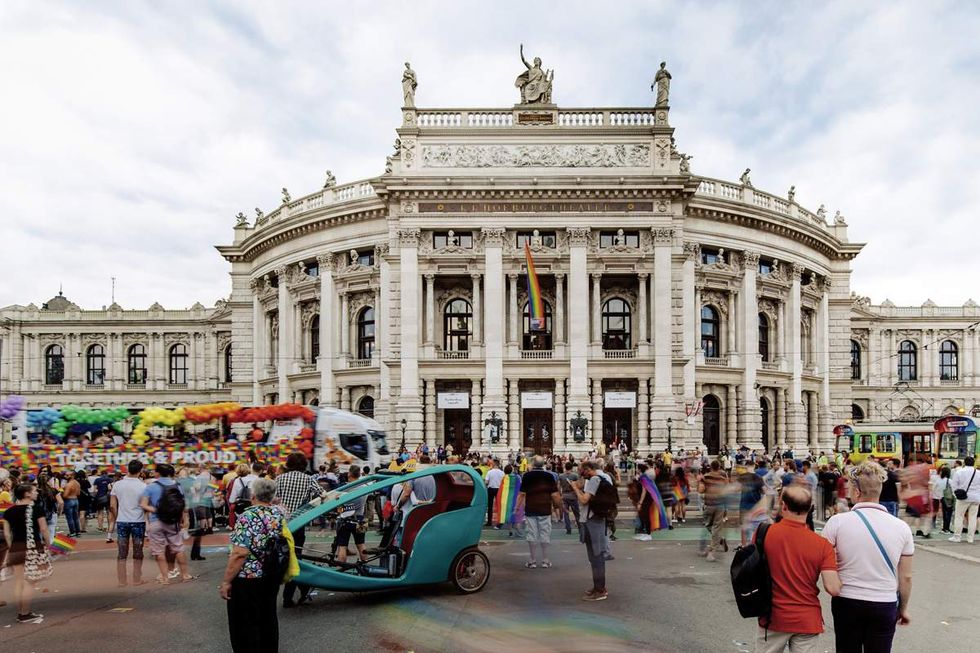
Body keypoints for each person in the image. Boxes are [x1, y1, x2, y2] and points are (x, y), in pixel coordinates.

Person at [823, 462, 914, 652]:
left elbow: (824, 563)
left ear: (856, 492)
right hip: (884, 601)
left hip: (847, 600)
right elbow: (906, 577)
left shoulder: (837, 523)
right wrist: (903, 608)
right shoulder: (901, 528)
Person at [755, 485, 841, 653]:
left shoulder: (763, 534)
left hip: (773, 617)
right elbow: (833, 588)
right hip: (807, 619)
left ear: (784, 506)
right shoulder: (822, 545)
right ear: (810, 509)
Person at [220, 478, 286, 653]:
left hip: (248, 577)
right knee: (268, 616)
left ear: (253, 495)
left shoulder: (247, 517)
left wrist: (226, 581)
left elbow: (240, 553)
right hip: (270, 572)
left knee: (245, 622)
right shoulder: (278, 513)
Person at [275, 452, 325, 607]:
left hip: (282, 524)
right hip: (299, 522)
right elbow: (323, 495)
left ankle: (294, 592)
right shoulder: (308, 479)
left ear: (288, 464)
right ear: (304, 465)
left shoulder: (280, 479)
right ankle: (296, 592)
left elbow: (274, 499)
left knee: (283, 557)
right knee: (296, 557)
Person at [1, 483, 50, 623]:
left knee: (19, 581)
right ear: (27, 494)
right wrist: (48, 545)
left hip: (16, 547)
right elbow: (44, 529)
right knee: (30, 581)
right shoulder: (37, 509)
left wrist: (11, 547)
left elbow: (7, 534)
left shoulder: (9, 511)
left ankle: (20, 612)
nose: (37, 493)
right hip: (33, 546)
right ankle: (25, 613)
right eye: (34, 491)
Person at [140, 463, 194, 584]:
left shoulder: (150, 486)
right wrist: (184, 519)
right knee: (178, 547)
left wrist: (156, 510)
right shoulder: (177, 486)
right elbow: (183, 504)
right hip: (172, 521)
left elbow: (143, 504)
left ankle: (165, 578)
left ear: (158, 473)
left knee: (159, 551)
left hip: (156, 521)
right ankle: (185, 574)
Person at [569, 461, 611, 601]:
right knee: (594, 556)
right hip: (595, 520)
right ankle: (598, 587)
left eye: (583, 471)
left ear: (589, 469)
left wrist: (575, 488)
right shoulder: (602, 478)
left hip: (593, 521)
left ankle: (600, 590)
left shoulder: (594, 479)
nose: (582, 474)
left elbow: (584, 499)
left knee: (596, 556)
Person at [110, 459, 149, 587]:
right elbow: (145, 506)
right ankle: (137, 579)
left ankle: (122, 580)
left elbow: (112, 505)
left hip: (122, 520)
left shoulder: (117, 485)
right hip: (138, 521)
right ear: (140, 471)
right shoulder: (143, 486)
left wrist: (117, 516)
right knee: (138, 551)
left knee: (122, 552)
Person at [518, 456, 561, 569]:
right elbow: (555, 494)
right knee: (545, 533)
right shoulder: (549, 476)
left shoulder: (527, 476)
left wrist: (517, 507)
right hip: (545, 508)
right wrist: (559, 507)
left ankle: (532, 560)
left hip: (531, 508)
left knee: (531, 533)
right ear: (543, 464)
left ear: (532, 464)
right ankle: (545, 560)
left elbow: (522, 493)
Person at [334, 464, 368, 564]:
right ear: (359, 474)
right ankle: (365, 566)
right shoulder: (365, 488)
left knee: (342, 546)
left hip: (345, 519)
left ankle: (341, 569)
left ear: (349, 473)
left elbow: (338, 505)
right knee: (361, 544)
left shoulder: (344, 489)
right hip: (359, 518)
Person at [699, 460, 729, 561]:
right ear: (719, 467)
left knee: (707, 525)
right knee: (716, 527)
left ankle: (715, 545)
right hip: (720, 505)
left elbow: (701, 490)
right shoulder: (723, 479)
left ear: (711, 467)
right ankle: (713, 550)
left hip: (709, 504)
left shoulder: (705, 477)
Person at [948, 457, 980, 543]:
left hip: (963, 498)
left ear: (964, 463)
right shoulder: (978, 473)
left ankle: (957, 536)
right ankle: (970, 538)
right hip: (976, 498)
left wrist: (956, 495)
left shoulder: (959, 472)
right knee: (973, 517)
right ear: (973, 463)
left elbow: (954, 485)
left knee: (959, 516)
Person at [558, 462, 581, 537]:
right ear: (571, 468)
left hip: (564, 495)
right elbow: (578, 485)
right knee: (576, 513)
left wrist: (560, 494)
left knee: (566, 513)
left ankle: (568, 529)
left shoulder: (561, 476)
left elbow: (558, 486)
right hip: (573, 495)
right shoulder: (575, 475)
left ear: (565, 467)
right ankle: (580, 528)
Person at [484, 459, 504, 527]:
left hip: (491, 489)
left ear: (494, 464)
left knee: (490, 506)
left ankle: (489, 522)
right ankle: (500, 522)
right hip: (499, 489)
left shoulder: (490, 472)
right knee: (499, 506)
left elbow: (486, 482)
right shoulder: (502, 472)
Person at [62, 471, 82, 537]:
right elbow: (79, 493)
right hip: (76, 500)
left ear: (72, 476)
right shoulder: (77, 483)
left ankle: (72, 532)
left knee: (70, 518)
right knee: (76, 517)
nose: (65, 476)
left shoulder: (69, 484)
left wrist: (62, 492)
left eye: (67, 475)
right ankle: (78, 531)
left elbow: (65, 495)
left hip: (69, 500)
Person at [936, 465, 955, 534]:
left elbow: (937, 490)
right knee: (949, 513)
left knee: (944, 513)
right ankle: (947, 528)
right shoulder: (949, 480)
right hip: (949, 498)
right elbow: (953, 490)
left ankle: (944, 528)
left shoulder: (939, 481)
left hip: (942, 498)